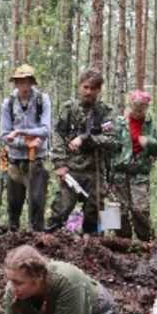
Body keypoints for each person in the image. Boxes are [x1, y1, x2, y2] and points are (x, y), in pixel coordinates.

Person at [47, 69, 120, 234]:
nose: (88, 92)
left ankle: (95, 249)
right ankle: (46, 243)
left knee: (95, 215)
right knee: (61, 210)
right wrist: (59, 162)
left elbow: (112, 140)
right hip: (72, 170)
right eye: (85, 87)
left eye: (93, 88)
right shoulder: (69, 109)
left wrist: (87, 139)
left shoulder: (106, 112)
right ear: (79, 87)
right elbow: (57, 134)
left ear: (99, 90)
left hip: (96, 171)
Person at [0, 65, 52, 232]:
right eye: (19, 81)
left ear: (32, 82)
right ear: (15, 83)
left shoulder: (42, 100)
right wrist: (25, 143)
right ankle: (13, 235)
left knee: (37, 202)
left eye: (26, 81)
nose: (23, 85)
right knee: (14, 203)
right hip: (14, 160)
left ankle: (37, 236)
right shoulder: (8, 103)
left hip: (37, 159)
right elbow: (4, 134)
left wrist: (21, 132)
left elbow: (45, 130)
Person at [110, 89, 157, 241]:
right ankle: (120, 240)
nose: (138, 110)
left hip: (139, 173)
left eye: (142, 107)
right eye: (136, 106)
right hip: (118, 173)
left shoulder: (150, 125)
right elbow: (109, 145)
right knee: (116, 209)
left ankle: (146, 240)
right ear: (130, 105)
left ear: (146, 107)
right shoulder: (119, 123)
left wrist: (149, 142)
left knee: (141, 209)